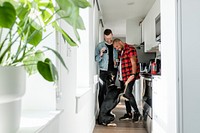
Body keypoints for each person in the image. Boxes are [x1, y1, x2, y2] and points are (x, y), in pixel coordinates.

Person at [113, 38, 141, 122]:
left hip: (129, 76)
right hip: (122, 76)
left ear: (121, 42)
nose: (117, 48)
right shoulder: (120, 52)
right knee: (125, 96)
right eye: (115, 48)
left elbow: (133, 63)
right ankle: (129, 114)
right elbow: (122, 64)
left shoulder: (130, 49)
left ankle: (136, 112)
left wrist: (133, 74)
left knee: (128, 93)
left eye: (117, 46)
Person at [95, 29, 118, 111]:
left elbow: (118, 57)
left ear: (112, 35)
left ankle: (108, 111)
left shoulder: (116, 45)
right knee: (102, 91)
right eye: (106, 38)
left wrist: (117, 61)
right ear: (104, 37)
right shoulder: (100, 46)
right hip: (103, 71)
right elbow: (97, 59)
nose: (108, 40)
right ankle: (102, 110)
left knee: (110, 92)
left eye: (109, 38)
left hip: (113, 71)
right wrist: (101, 54)